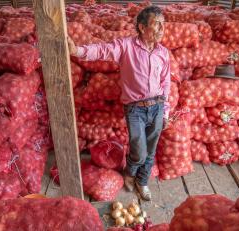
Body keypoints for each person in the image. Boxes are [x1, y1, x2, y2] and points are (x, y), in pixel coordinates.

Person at [68, 6, 170, 201]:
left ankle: (143, 181)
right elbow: (103, 50)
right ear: (141, 27)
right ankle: (130, 173)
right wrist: (78, 51)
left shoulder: (162, 53)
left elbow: (166, 83)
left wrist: (165, 111)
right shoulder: (126, 46)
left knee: (151, 150)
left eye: (163, 24)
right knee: (139, 150)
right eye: (157, 24)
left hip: (157, 107)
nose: (161, 29)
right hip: (135, 109)